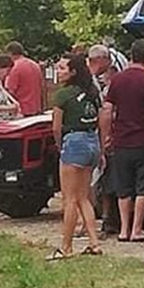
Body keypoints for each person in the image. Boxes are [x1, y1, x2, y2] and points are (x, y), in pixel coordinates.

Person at [101, 39, 144, 243]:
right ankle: (137, 229)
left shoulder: (117, 80)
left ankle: (123, 230)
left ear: (131, 55)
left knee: (124, 187)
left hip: (121, 141)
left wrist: (107, 135)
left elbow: (107, 110)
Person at [46, 53, 104, 260]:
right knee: (83, 197)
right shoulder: (92, 92)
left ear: (73, 72)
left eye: (62, 68)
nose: (59, 71)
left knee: (69, 198)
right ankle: (94, 242)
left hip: (73, 141)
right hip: (92, 141)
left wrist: (60, 145)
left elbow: (56, 127)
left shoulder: (62, 95)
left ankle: (66, 246)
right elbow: (101, 118)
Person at [87, 44, 119, 233]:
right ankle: (102, 218)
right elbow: (105, 112)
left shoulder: (97, 83)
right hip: (100, 135)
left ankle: (104, 219)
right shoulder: (91, 83)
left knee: (104, 178)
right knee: (101, 178)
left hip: (101, 135)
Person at [5, 41, 44, 116]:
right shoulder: (35, 65)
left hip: (22, 110)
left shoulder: (14, 67)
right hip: (37, 108)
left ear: (10, 53)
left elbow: (10, 91)